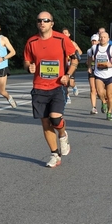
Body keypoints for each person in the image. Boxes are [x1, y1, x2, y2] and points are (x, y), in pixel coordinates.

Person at [24, 11, 78, 168]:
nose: (42, 23)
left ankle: (62, 134)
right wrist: (29, 67)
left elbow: (74, 59)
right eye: (39, 20)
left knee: (55, 118)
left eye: (46, 20)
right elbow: (26, 61)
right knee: (45, 123)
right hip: (39, 87)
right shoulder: (31, 42)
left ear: (52, 23)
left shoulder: (62, 39)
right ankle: (55, 154)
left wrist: (68, 75)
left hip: (57, 86)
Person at [88, 31, 112, 120]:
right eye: (101, 37)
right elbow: (89, 56)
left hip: (110, 75)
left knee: (110, 95)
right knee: (100, 92)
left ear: (108, 39)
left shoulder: (111, 48)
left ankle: (109, 112)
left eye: (104, 37)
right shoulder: (94, 48)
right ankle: (103, 102)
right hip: (99, 74)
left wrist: (110, 64)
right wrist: (90, 66)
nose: (102, 39)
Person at [86, 34, 106, 114]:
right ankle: (94, 107)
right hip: (92, 70)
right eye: (92, 41)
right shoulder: (89, 50)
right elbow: (88, 61)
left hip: (101, 71)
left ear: (98, 41)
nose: (94, 42)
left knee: (100, 90)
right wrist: (89, 65)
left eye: (95, 41)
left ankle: (104, 100)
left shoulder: (102, 50)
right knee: (92, 89)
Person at [62, 28, 82, 103]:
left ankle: (74, 86)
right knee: (65, 81)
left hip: (71, 65)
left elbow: (80, 52)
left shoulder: (72, 43)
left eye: (66, 33)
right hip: (64, 64)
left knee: (71, 82)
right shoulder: (60, 43)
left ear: (69, 35)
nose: (64, 34)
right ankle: (67, 97)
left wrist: (73, 56)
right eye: (63, 33)